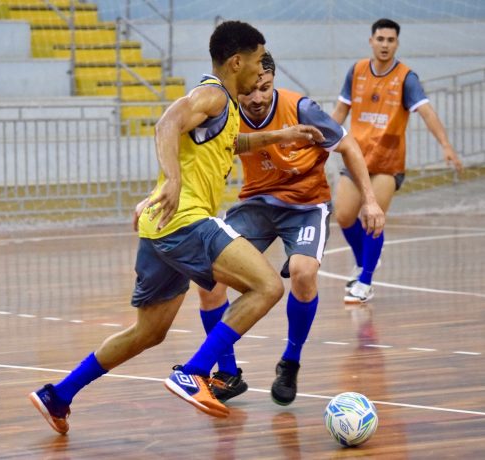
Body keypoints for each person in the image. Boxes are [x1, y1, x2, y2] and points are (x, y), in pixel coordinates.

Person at [29, 20, 325, 434]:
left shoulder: (226, 108)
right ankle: (196, 372)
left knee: (148, 332)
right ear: (236, 62)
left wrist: (281, 135)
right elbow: (166, 123)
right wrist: (171, 180)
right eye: (258, 61)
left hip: (160, 227)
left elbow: (231, 143)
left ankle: (58, 395)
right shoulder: (212, 94)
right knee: (267, 286)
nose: (262, 70)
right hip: (186, 221)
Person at [197, 52, 385, 406]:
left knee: (302, 272)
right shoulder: (226, 111)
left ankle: (290, 362)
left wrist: (370, 200)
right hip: (257, 204)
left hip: (306, 205)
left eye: (265, 88)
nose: (257, 98)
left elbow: (347, 145)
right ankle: (227, 372)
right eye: (250, 91)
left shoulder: (301, 108)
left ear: (273, 82)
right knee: (208, 274)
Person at [331, 18, 463, 304]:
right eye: (380, 39)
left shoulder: (406, 78)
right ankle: (365, 261)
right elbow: (341, 110)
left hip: (388, 162)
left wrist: (446, 145)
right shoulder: (357, 71)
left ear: (397, 44)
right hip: (356, 156)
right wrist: (321, 140)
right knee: (343, 215)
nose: (385, 44)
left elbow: (426, 112)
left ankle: (365, 282)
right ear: (371, 41)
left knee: (372, 218)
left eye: (390, 40)